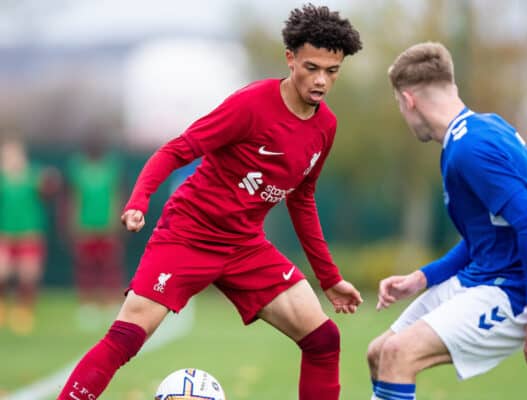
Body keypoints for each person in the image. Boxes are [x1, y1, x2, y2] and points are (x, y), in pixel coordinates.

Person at [57, 4, 363, 400]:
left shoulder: (325, 127)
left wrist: (329, 278)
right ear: (290, 58)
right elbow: (177, 150)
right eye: (311, 67)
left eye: (332, 71)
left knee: (323, 339)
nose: (321, 80)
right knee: (127, 336)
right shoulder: (251, 105)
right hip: (187, 234)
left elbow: (302, 200)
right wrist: (139, 199)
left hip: (244, 245)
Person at [366, 42, 527, 400]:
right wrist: (422, 278)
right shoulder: (478, 131)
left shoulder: (471, 150)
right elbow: (487, 237)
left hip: (516, 292)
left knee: (399, 354)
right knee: (380, 353)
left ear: (408, 100)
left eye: (399, 105)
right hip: (483, 276)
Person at [0, 137, 59, 335]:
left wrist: (51, 181)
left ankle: (24, 311)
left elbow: (48, 190)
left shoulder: (33, 175)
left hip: (29, 233)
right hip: (6, 233)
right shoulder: (3, 178)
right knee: (3, 271)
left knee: (28, 274)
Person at [64, 137, 125, 322]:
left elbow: (116, 195)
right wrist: (73, 222)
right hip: (86, 225)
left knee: (109, 265)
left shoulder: (111, 168)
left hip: (106, 225)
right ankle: (87, 303)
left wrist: (117, 220)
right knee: (86, 266)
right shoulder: (78, 169)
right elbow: (74, 197)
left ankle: (110, 301)